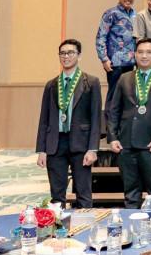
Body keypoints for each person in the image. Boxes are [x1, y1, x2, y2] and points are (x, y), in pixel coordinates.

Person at [106, 38, 151, 208]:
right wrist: (113, 137)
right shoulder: (124, 78)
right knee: (130, 193)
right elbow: (114, 110)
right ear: (135, 54)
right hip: (126, 144)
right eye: (140, 52)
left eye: (149, 52)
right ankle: (132, 223)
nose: (144, 56)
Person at [36, 39, 102, 208]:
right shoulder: (51, 85)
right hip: (55, 143)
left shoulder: (91, 82)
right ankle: (59, 224)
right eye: (63, 53)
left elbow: (96, 118)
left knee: (83, 192)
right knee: (57, 194)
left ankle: (83, 224)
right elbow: (44, 119)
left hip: (81, 143)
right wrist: (42, 149)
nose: (66, 56)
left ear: (79, 56)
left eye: (70, 53)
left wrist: (93, 149)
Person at [96, 0, 137, 111]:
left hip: (131, 63)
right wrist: (104, 59)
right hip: (115, 63)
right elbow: (101, 36)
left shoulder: (135, 15)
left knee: (128, 96)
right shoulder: (111, 13)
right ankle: (110, 123)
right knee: (114, 96)